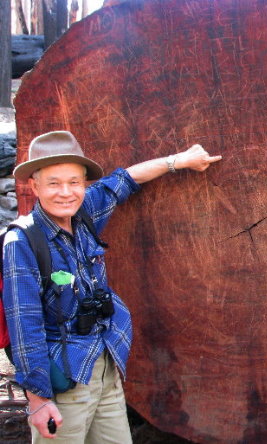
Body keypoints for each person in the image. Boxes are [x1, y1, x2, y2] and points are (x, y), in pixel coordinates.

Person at [2, 130, 222, 442]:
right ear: (34, 186)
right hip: (65, 376)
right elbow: (25, 325)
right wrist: (38, 399)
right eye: (53, 183)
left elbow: (125, 179)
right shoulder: (23, 241)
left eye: (74, 182)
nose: (65, 192)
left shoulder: (84, 213)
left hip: (105, 364)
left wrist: (180, 161)